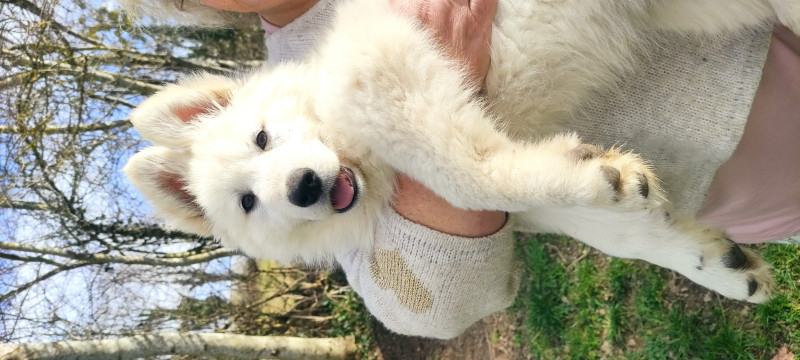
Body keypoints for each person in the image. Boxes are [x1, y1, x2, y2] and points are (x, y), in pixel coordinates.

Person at [120, 0, 800, 338]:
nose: (281, 180)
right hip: (752, 178)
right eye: (247, 202)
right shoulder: (299, 90)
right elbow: (430, 305)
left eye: (265, 143)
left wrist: (474, 176)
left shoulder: (319, 85)